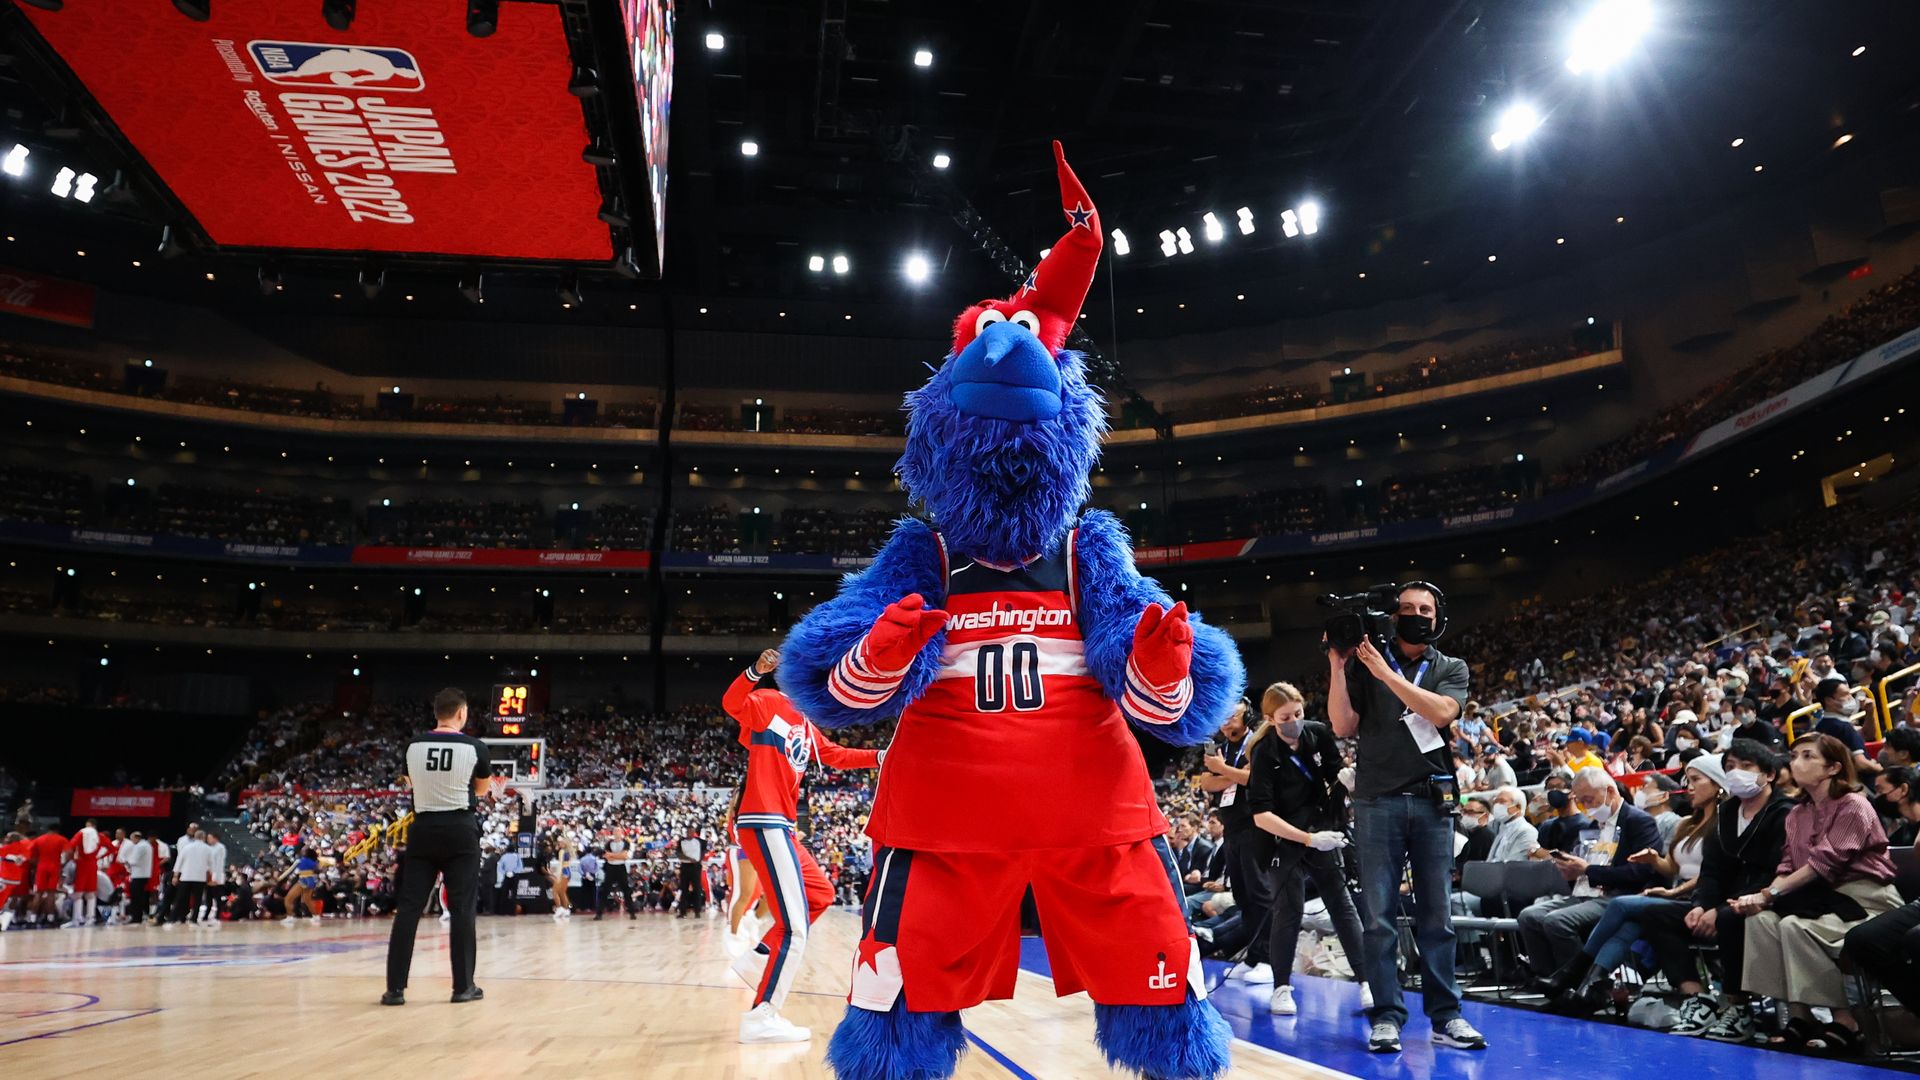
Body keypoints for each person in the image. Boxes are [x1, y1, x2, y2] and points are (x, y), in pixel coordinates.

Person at [1327, 581, 1487, 1053]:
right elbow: (1342, 725)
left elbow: (1440, 713)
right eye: (1407, 608)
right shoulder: (1361, 661)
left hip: (1433, 802)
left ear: (1439, 616)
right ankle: (1388, 1016)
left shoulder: (1450, 667)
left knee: (1437, 915)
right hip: (1377, 801)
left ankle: (1446, 1017)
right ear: (1392, 616)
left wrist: (1387, 674)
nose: (1417, 614)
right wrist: (1338, 666)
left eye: (1425, 608)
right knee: (1378, 919)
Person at [721, 648, 882, 1044]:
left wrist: (881, 755)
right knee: (795, 929)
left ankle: (757, 956)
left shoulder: (807, 724)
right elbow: (731, 702)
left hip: (784, 828)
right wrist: (755, 670)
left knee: (821, 894)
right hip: (766, 820)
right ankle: (762, 1015)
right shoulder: (768, 702)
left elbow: (837, 756)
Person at [1731, 733, 1900, 1053]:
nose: (1796, 762)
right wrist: (1761, 898)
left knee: (1793, 926)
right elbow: (1786, 864)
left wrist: (1767, 895)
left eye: (1808, 756)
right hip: (1819, 899)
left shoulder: (1854, 804)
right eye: (1794, 755)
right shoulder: (1797, 813)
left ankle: (1843, 1018)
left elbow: (1823, 864)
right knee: (1760, 922)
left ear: (1833, 768)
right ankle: (1800, 1014)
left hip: (1866, 900)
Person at [1543, 755, 1727, 1013]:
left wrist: (1673, 890)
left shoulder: (1725, 825)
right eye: (1688, 780)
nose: (1689, 787)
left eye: (1695, 780)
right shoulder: (1687, 824)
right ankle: (1593, 984)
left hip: (1699, 897)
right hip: (1678, 896)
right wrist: (1655, 860)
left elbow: (1713, 872)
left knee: (1621, 906)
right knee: (1632, 921)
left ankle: (1577, 974)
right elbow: (1674, 867)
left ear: (1719, 783)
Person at [1244, 681, 1369, 1016]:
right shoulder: (1264, 751)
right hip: (1283, 840)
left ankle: (1366, 981)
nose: (1294, 720)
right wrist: (1307, 839)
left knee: (1341, 905)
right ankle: (1281, 987)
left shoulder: (1318, 734)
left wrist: (1345, 779)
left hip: (1324, 829)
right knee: (1289, 910)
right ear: (1270, 719)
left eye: (1298, 712)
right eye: (1286, 716)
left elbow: (1332, 774)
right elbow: (1262, 815)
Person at [382, 687, 502, 1007]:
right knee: (462, 908)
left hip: (423, 828)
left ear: (436, 713)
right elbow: (480, 789)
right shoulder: (475, 747)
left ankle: (395, 989)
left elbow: (410, 782)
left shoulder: (412, 746)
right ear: (461, 713)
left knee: (408, 909)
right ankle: (463, 987)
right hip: (460, 830)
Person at [1515, 767, 1663, 982]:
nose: (1586, 807)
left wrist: (1587, 870)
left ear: (1610, 791)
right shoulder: (1593, 826)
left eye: (1589, 799)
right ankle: (1546, 977)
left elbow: (1640, 872)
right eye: (1582, 801)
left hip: (1619, 895)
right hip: (1586, 892)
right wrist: (1568, 868)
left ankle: (1577, 982)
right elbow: (1583, 864)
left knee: (1558, 922)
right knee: (1529, 916)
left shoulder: (1638, 821)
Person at [1200, 697, 1273, 983]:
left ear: (1248, 714)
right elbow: (1207, 783)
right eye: (1223, 714)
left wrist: (1223, 770)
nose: (1227, 719)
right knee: (1242, 896)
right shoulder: (1218, 748)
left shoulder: (1257, 741)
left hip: (1256, 825)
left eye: (1233, 713)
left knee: (1260, 894)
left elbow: (1254, 778)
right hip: (1232, 828)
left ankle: (1268, 959)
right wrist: (1233, 775)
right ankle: (1253, 955)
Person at [1810, 677, 1880, 778]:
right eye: (1845, 695)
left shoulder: (1823, 725)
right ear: (1829, 701)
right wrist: (1882, 770)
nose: (1850, 698)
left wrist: (1869, 713)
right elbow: (1860, 763)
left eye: (1850, 694)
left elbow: (1867, 734)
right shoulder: (1842, 727)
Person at [63, 819, 103, 928]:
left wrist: (70, 859)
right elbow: (111, 848)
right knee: (90, 893)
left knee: (78, 893)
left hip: (82, 864)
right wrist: (98, 856)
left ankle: (77, 919)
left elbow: (70, 846)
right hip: (93, 865)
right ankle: (90, 918)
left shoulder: (81, 832)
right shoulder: (99, 836)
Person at [1635, 774, 1683, 852]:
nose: (1641, 791)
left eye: (1647, 787)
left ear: (1664, 796)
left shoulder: (1673, 822)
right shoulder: (1639, 819)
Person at [119, 830, 154, 925]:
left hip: (138, 875)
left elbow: (134, 860)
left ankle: (136, 917)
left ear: (136, 838)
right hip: (143, 874)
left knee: (136, 897)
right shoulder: (147, 845)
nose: (132, 842)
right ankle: (139, 916)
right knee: (140, 896)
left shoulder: (140, 846)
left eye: (132, 839)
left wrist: (125, 860)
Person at [602, 833, 636, 920]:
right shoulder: (609, 843)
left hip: (621, 867)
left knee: (626, 891)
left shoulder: (626, 843)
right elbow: (607, 856)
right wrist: (618, 856)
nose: (617, 834)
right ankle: (599, 913)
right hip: (610, 868)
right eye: (615, 831)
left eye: (618, 832)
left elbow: (624, 856)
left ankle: (632, 912)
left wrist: (613, 855)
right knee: (605, 890)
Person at [284, 847, 321, 924]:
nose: (302, 851)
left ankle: (290, 917)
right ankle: (316, 916)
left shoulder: (300, 860)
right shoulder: (313, 862)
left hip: (303, 880)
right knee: (307, 900)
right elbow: (318, 869)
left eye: (304, 850)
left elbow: (290, 870)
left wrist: (280, 878)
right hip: (311, 881)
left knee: (288, 899)